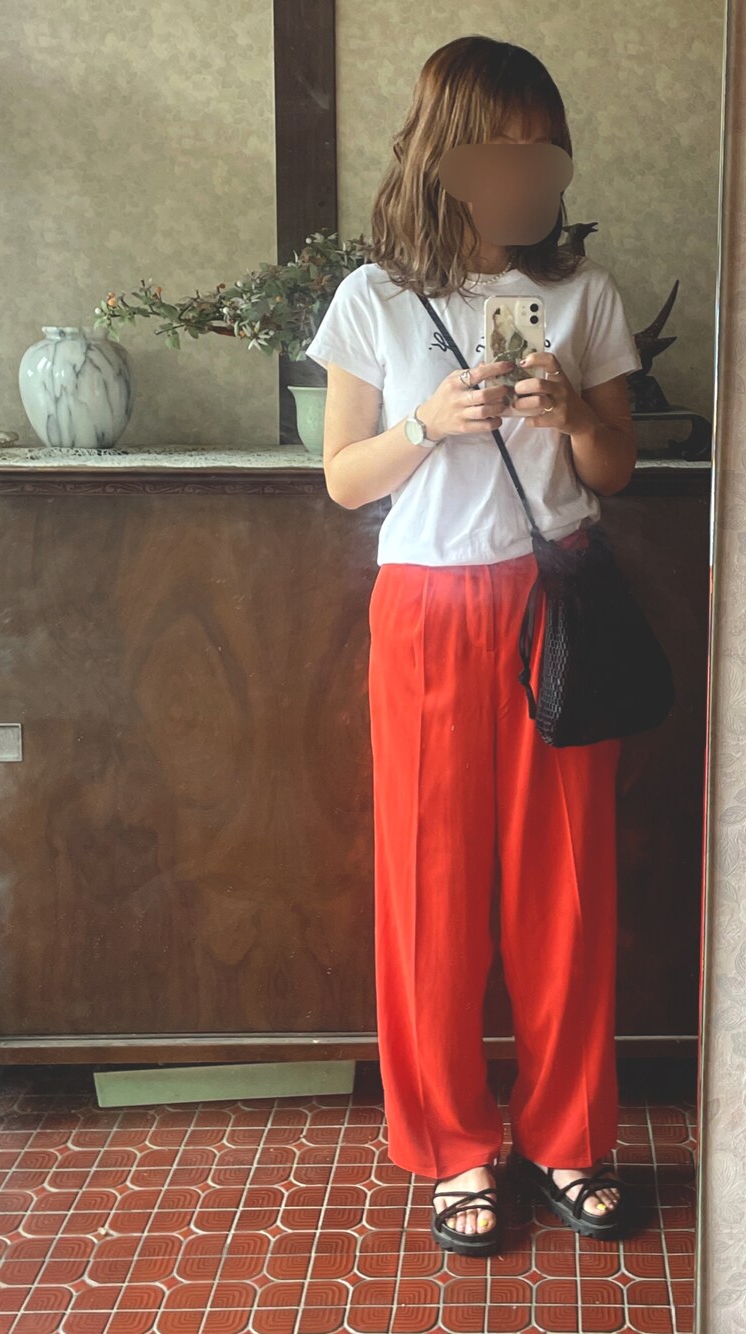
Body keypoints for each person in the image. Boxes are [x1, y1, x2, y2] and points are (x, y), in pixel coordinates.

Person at [305, 36, 641, 1255]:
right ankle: (452, 1142)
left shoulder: (583, 293)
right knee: (429, 888)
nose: (521, 173)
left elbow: (615, 466)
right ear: (445, 154)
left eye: (540, 152)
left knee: (566, 884)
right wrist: (427, 422)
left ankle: (568, 1132)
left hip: (557, 600)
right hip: (427, 611)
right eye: (502, 148)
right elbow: (344, 478)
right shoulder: (373, 297)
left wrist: (572, 411)